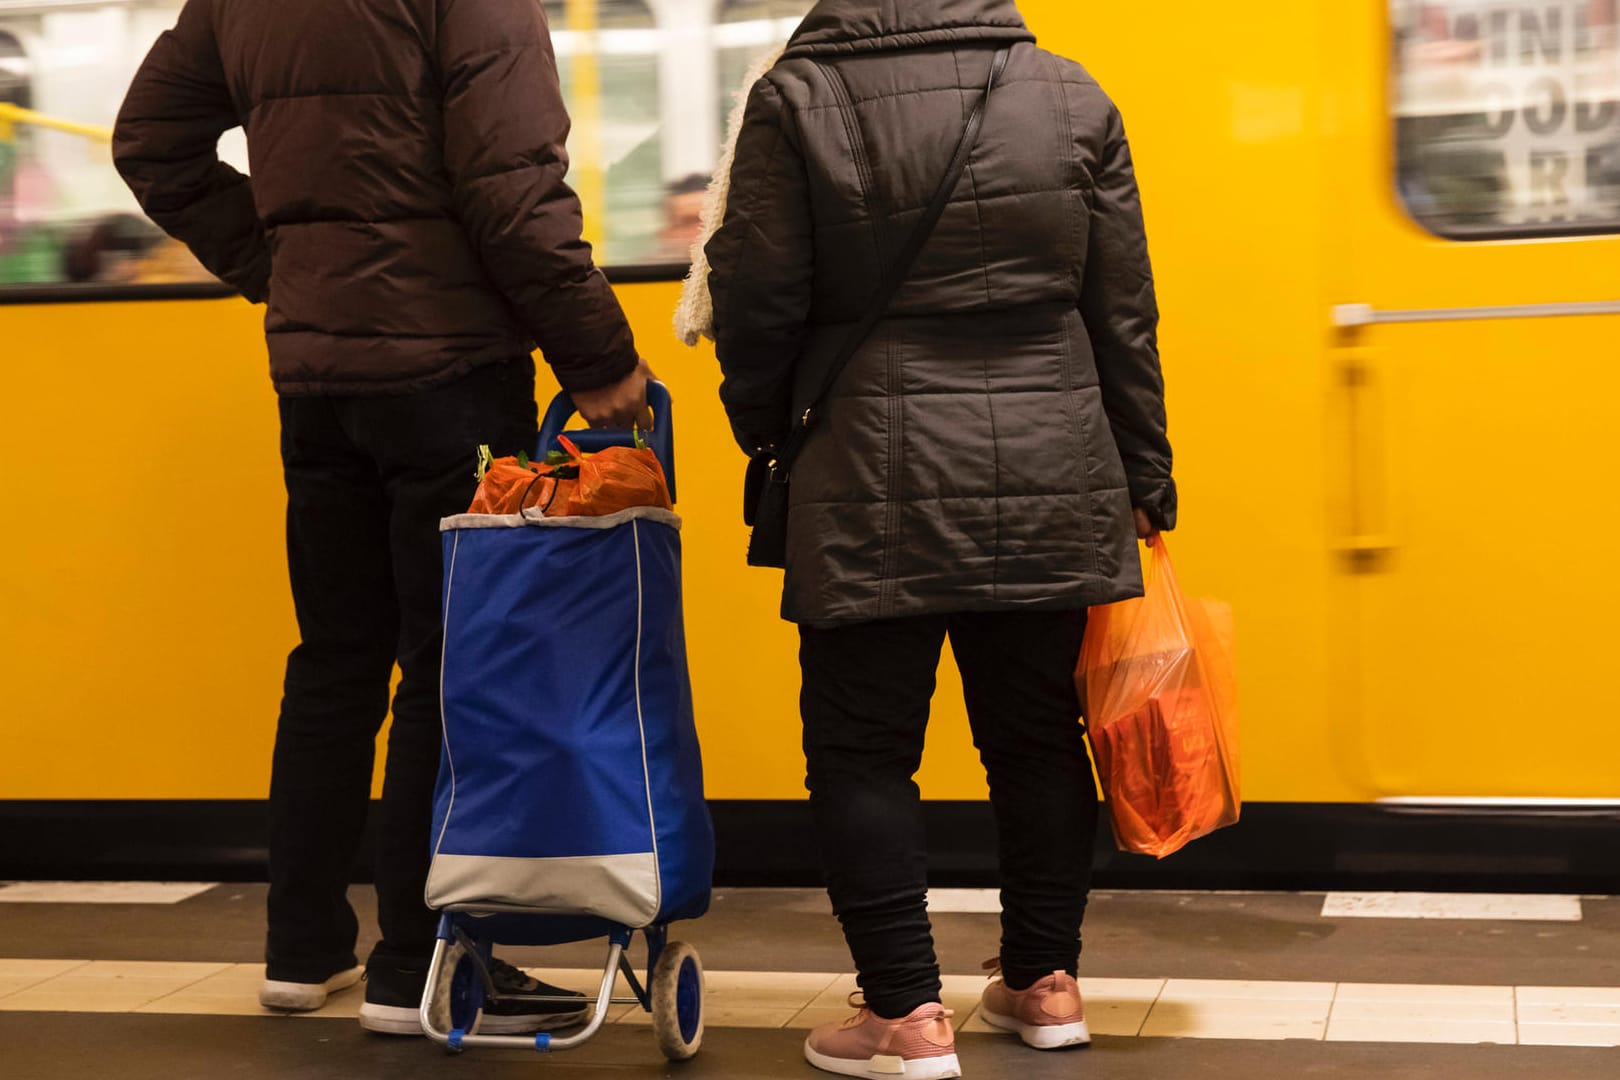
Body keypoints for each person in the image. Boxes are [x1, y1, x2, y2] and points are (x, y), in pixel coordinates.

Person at [112, 0, 652, 1035]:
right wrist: (598, 358)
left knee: (334, 657)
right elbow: (514, 191)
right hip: (446, 371)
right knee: (447, 666)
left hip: (319, 381)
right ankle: (422, 964)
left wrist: (291, 271)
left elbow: (149, 140)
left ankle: (301, 950)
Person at [703, 1, 1175, 1077]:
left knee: (864, 750)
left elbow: (758, 298)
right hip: (1057, 458)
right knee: (1038, 738)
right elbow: (1124, 308)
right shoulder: (1070, 93)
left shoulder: (799, 97)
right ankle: (1044, 983)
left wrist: (771, 432)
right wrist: (1146, 473)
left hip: (871, 466)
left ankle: (906, 1015)